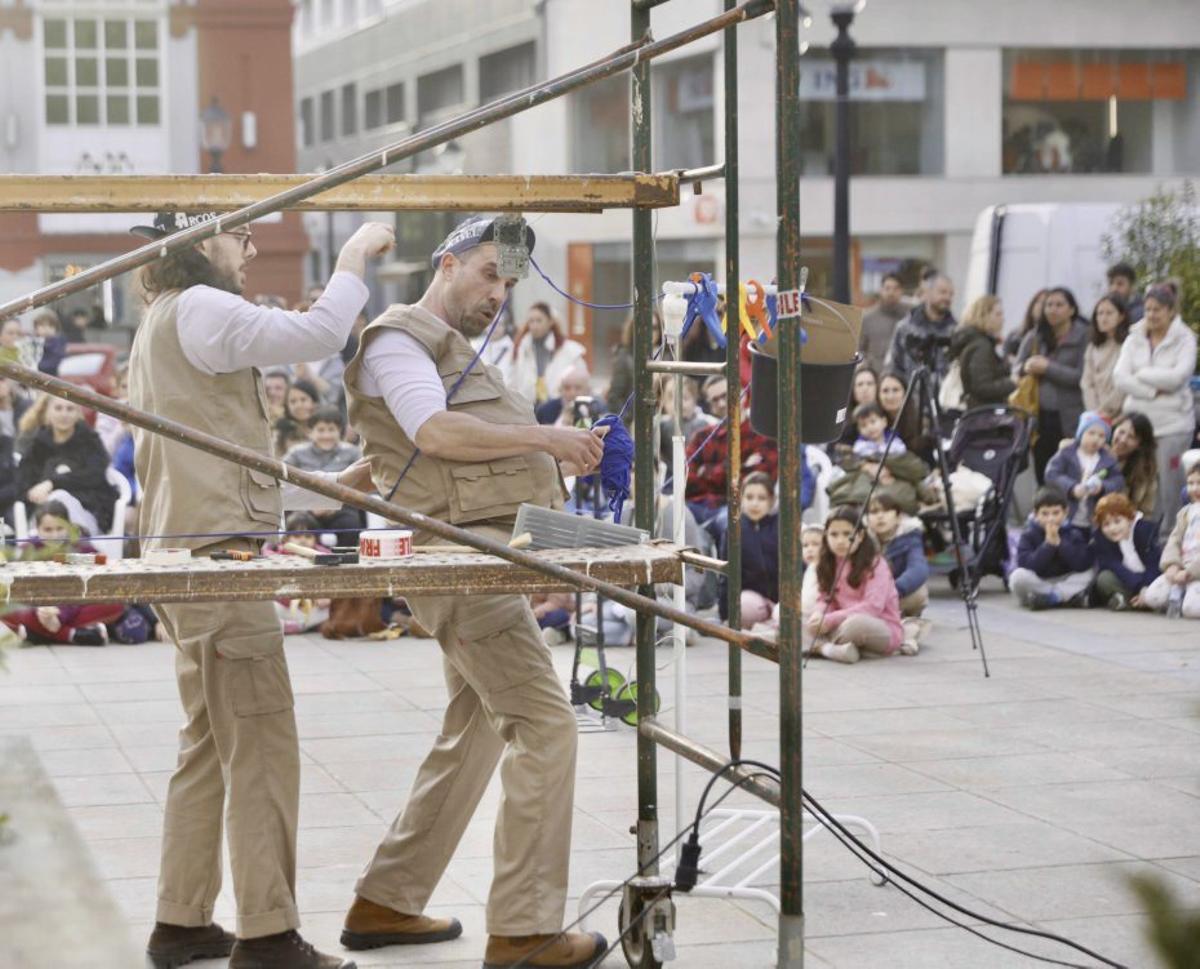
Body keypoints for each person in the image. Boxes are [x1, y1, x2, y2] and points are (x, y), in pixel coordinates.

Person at [341, 215, 608, 969]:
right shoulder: (400, 338)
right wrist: (549, 439)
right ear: (447, 262)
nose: (498, 293)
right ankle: (525, 928)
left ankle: (387, 897)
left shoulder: (445, 349)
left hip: (486, 549)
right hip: (459, 558)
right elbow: (432, 433)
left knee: (479, 727)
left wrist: (332, 487)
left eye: (509, 282)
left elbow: (392, 454)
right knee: (545, 723)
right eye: (489, 273)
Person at [128, 208, 392, 969]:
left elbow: (221, 472)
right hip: (219, 565)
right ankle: (269, 933)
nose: (249, 247)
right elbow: (315, 337)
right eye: (237, 235)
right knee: (263, 743)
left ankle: (181, 920)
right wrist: (351, 256)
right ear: (198, 242)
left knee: (209, 745)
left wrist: (323, 492)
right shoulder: (205, 307)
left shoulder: (162, 320)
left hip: (188, 558)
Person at [1112, 282, 1198, 531]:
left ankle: (1170, 536)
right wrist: (1152, 389)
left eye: (1157, 309)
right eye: (1148, 309)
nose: (1151, 315)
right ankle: (1132, 534)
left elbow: (1178, 378)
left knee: (1169, 486)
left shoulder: (1186, 339)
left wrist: (1141, 373)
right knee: (1135, 479)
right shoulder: (1134, 336)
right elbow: (1120, 377)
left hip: (1172, 425)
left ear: (1171, 310)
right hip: (1138, 422)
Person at [1, 501, 124, 645]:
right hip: (38, 608)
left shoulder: (78, 545)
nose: (55, 535)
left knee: (116, 604)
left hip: (74, 604)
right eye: (48, 530)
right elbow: (15, 584)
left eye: (60, 528)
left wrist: (65, 558)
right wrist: (41, 610)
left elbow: (101, 560)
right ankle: (73, 635)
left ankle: (36, 635)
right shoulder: (28, 548)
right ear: (37, 529)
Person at [805, 505, 912, 664]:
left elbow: (873, 607)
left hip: (878, 625)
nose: (840, 540)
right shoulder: (828, 563)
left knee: (854, 625)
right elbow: (825, 598)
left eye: (848, 534)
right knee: (797, 619)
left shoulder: (876, 563)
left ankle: (821, 647)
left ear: (860, 535)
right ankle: (837, 650)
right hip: (838, 623)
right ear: (826, 536)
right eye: (834, 534)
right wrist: (819, 614)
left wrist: (829, 620)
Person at [1015, 286, 1089, 484]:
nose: (1053, 310)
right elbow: (1017, 369)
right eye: (1049, 305)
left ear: (1072, 309)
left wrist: (1048, 368)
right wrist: (1028, 367)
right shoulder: (1035, 335)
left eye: (1059, 305)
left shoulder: (1084, 335)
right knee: (1044, 474)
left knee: (1072, 476)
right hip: (1039, 417)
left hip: (1071, 418)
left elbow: (1081, 377)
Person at [16, 396, 117, 535]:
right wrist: (35, 495)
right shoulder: (38, 443)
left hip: (87, 514)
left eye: (70, 409)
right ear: (48, 412)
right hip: (42, 517)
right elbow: (23, 480)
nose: (64, 414)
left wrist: (52, 484)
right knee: (50, 508)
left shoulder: (90, 441)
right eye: (58, 408)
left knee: (59, 497)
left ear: (78, 414)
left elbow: (94, 476)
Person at [684, 375, 778, 524]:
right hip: (696, 507)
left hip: (738, 511)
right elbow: (685, 480)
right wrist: (740, 466)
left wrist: (706, 471)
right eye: (714, 400)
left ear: (743, 394)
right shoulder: (702, 437)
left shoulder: (764, 436)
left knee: (728, 524)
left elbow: (759, 484)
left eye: (725, 395)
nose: (721, 403)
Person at [284, 406, 366, 544]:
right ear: (310, 432)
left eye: (331, 430)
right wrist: (312, 505)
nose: (326, 435)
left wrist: (331, 505)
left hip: (342, 506)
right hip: (305, 506)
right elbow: (284, 477)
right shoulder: (296, 453)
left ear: (339, 431)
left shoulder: (352, 453)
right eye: (321, 430)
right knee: (298, 523)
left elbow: (362, 482)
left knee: (350, 523)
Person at [1009, 485, 1094, 610]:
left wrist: (1061, 544)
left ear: (1065, 513)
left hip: (1065, 579)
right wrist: (1048, 545)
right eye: (1045, 514)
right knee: (1017, 577)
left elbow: (1081, 564)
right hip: (1038, 580)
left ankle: (1052, 598)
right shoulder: (1028, 534)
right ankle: (1063, 597)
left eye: (1056, 513)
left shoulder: (1073, 533)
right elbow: (1027, 564)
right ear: (1036, 514)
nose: (1051, 519)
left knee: (1091, 571)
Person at [718, 471, 778, 629]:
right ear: (741, 499)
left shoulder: (782, 526)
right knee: (742, 609)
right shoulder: (733, 529)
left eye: (762, 498)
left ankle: (771, 625)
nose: (755, 504)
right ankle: (767, 625)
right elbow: (726, 574)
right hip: (753, 600)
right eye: (749, 497)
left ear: (772, 500)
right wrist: (724, 614)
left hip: (783, 600)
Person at [1045, 411, 1124, 528]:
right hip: (1067, 515)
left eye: (1101, 436)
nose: (1095, 439)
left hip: (1094, 517)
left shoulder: (1108, 459)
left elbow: (1118, 481)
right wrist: (1072, 487)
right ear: (1081, 434)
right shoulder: (1067, 453)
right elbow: (1051, 474)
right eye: (1091, 433)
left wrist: (1102, 487)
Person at [1140, 464, 1200, 618]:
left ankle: (1187, 598)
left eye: (1199, 483)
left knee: (1191, 609)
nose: (1194, 489)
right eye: (1191, 483)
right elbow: (1174, 541)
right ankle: (1181, 595)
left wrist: (1190, 573)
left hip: (1195, 572)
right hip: (1181, 568)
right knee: (1151, 597)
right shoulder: (1186, 512)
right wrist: (1172, 565)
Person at [1090, 492, 1161, 611]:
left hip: (1152, 578)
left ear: (1129, 518)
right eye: (1106, 524)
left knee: (1160, 590)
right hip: (1131, 581)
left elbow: (1154, 565)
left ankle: (1142, 601)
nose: (1112, 528)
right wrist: (1139, 587)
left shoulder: (1145, 530)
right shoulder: (1101, 538)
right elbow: (1113, 565)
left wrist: (1145, 587)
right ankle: (1134, 601)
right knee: (1104, 578)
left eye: (1117, 521)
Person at [510, 301, 586, 406]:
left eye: (539, 321)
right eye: (531, 321)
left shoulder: (569, 350)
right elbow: (513, 381)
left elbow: (582, 381)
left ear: (550, 322)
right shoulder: (521, 348)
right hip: (527, 409)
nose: (534, 326)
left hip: (558, 409)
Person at [884, 273, 957, 383]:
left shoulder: (956, 331)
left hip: (945, 399)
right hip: (911, 397)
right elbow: (893, 366)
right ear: (928, 292)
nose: (947, 298)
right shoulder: (905, 327)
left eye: (951, 294)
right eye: (943, 292)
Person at [867, 492, 929, 618]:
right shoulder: (861, 539)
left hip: (894, 593)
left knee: (920, 594)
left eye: (886, 510)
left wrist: (893, 589)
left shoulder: (910, 536)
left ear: (898, 516)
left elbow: (918, 568)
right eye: (874, 512)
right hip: (866, 595)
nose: (880, 516)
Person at [949, 295, 1015, 409]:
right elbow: (982, 387)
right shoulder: (981, 345)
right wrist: (1013, 383)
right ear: (983, 316)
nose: (1003, 319)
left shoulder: (973, 340)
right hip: (981, 414)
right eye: (998, 314)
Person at [1082, 293, 1132, 420]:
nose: (1104, 318)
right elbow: (1087, 383)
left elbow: (1125, 383)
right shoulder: (1092, 347)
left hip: (1122, 413)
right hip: (1095, 415)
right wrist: (1095, 411)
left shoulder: (1129, 344)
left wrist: (1106, 410)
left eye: (1109, 313)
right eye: (1100, 313)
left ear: (1121, 316)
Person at [607, 311, 662, 416]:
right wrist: (628, 422)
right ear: (635, 328)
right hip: (635, 421)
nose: (649, 332)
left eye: (654, 327)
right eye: (645, 326)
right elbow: (614, 397)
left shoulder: (667, 356)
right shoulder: (624, 356)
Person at [655, 375, 716, 467]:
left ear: (695, 399)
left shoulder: (710, 424)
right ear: (663, 402)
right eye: (672, 398)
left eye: (685, 398)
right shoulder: (659, 426)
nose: (679, 403)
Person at [1111, 412, 1159, 519]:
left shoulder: (1146, 473)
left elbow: (1146, 511)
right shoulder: (1094, 452)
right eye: (1121, 432)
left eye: (1131, 437)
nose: (1123, 440)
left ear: (1140, 445)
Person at [859, 273, 908, 373]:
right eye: (887, 288)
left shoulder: (909, 316)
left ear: (901, 291)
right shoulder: (867, 318)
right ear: (881, 290)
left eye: (896, 288)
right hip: (876, 377)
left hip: (903, 378)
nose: (891, 292)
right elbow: (859, 350)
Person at [830, 363, 880, 455]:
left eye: (870, 383)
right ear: (853, 389)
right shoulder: (842, 421)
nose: (865, 388)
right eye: (860, 384)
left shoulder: (885, 415)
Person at [275, 377, 321, 455]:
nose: (298, 406)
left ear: (314, 402)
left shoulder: (325, 425)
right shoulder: (283, 431)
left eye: (303, 400)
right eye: (293, 401)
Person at [1003, 288, 1047, 363]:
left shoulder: (1051, 338)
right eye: (1038, 302)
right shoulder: (1015, 335)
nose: (1040, 306)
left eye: (1045, 303)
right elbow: (1006, 358)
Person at [33, 310, 67, 376]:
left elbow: (55, 361)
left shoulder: (58, 342)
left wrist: (36, 366)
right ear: (36, 328)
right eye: (42, 325)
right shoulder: (33, 342)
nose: (47, 328)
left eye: (50, 326)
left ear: (56, 328)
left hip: (53, 375)